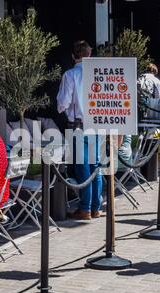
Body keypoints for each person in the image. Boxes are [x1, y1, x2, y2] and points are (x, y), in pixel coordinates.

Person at [57, 40, 102, 220]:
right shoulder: (98, 74)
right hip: (97, 125)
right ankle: (96, 208)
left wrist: (64, 107)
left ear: (73, 56)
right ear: (89, 55)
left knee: (83, 169)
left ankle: (85, 209)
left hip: (77, 126)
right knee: (95, 168)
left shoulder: (70, 75)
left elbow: (63, 103)